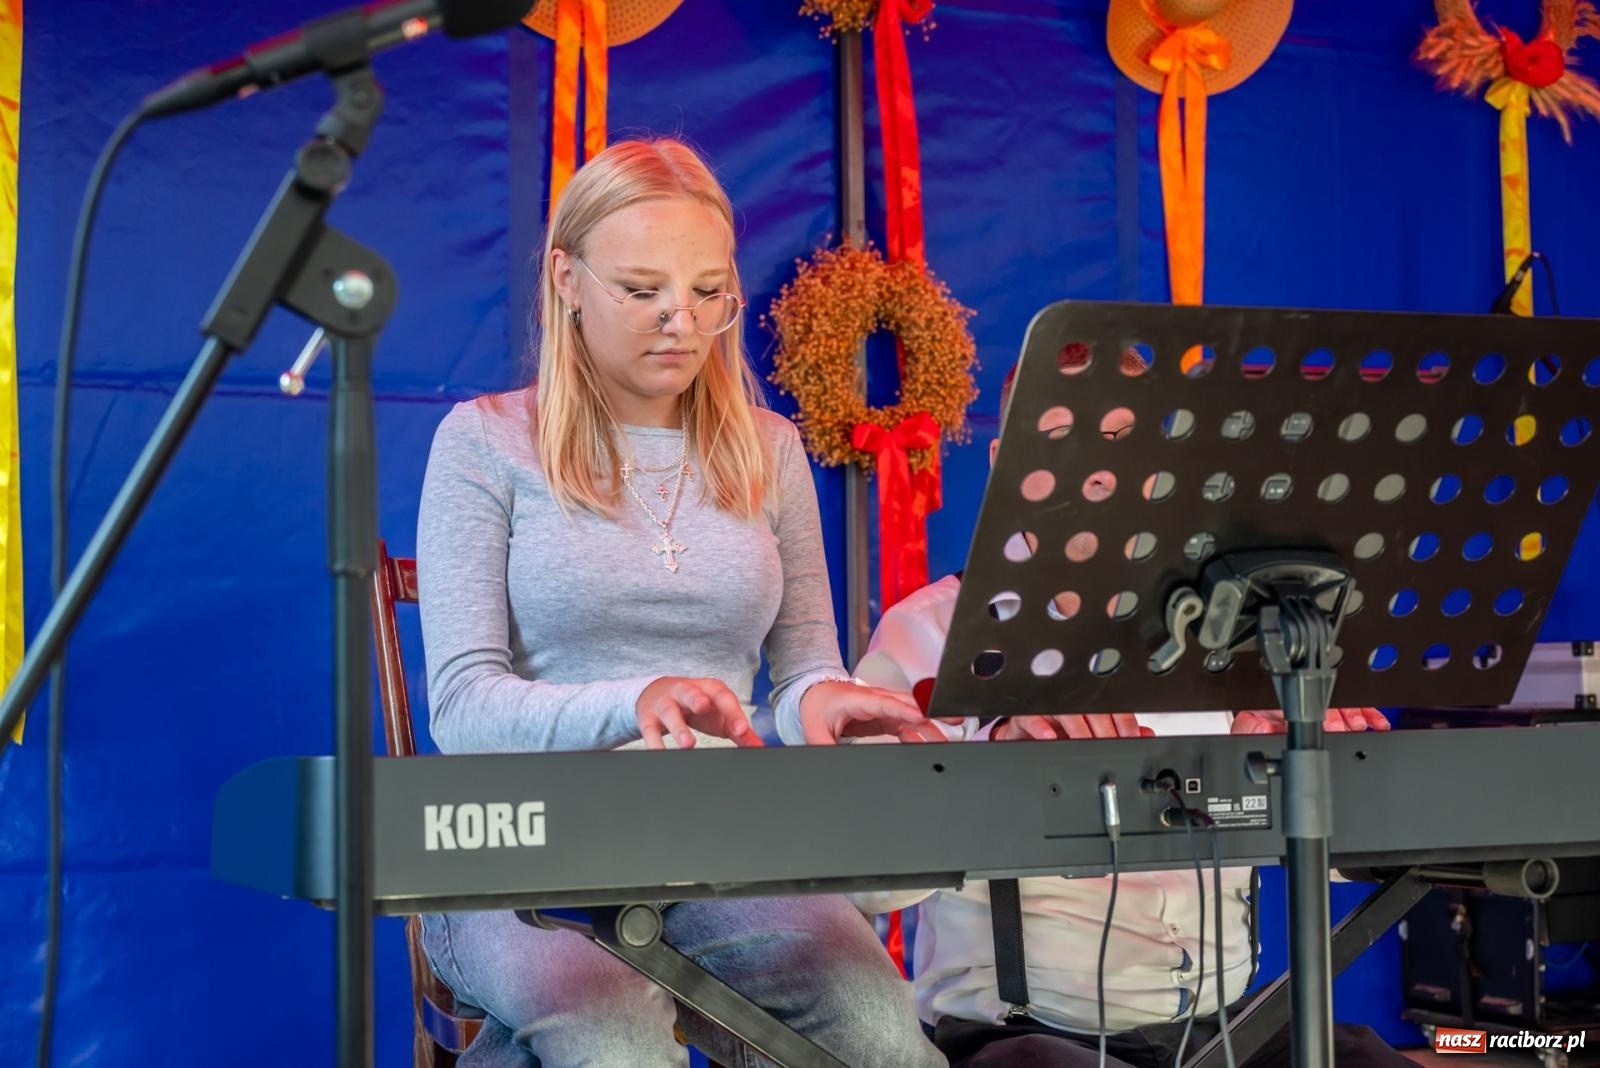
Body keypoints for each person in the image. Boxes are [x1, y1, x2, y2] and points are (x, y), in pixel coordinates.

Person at [415, 137, 944, 1068]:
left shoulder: (770, 451)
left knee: (878, 1033)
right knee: (609, 1030)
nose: (681, 322)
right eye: (642, 289)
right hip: (510, 850)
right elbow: (461, 708)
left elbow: (804, 664)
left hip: (716, 838)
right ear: (566, 278)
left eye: (708, 292)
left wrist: (828, 700)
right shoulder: (484, 443)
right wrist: (633, 700)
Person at [838, 360, 1410, 1068]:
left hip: (1230, 1029)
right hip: (1027, 1039)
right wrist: (994, 764)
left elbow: (1350, 866)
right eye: (1061, 439)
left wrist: (1312, 759)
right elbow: (864, 884)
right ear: (1001, 460)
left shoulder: (1236, 626)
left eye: (1122, 441)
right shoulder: (927, 631)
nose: (1096, 470)